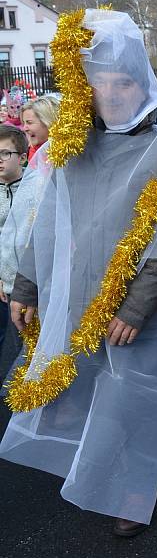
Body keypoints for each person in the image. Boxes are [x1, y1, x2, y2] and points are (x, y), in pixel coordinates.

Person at [0, 10, 157, 536]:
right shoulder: (73, 146)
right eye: (99, 81)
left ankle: (133, 490)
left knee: (135, 393)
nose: (111, 93)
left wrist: (133, 307)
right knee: (94, 392)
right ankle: (106, 471)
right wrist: (28, 286)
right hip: (83, 293)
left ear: (141, 81)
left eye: (123, 81)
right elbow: (50, 226)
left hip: (142, 308)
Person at [0, 125, 27, 376]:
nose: (0, 160)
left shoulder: (35, 187)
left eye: (5, 153)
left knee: (27, 342)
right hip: (3, 281)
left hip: (30, 282)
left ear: (22, 157)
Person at [20, 95, 61, 161]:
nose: (24, 128)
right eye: (24, 123)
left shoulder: (69, 152)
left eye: (29, 122)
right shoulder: (28, 152)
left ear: (49, 122)